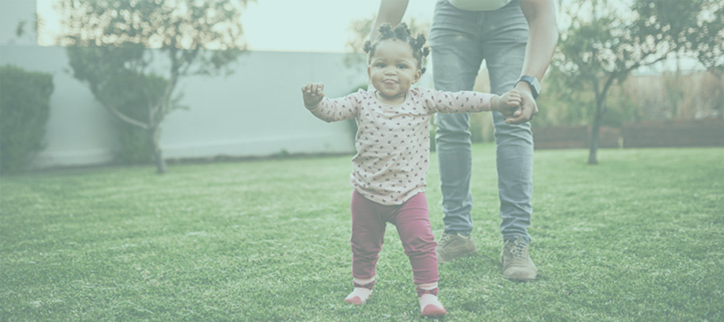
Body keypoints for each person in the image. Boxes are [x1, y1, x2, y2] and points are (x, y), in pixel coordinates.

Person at [301, 23, 522, 316]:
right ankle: (362, 286)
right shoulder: (361, 101)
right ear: (369, 71)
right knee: (363, 245)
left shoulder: (423, 99)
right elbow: (331, 111)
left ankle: (428, 294)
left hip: (409, 196)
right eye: (381, 64)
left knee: (422, 244)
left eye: (401, 65)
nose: (390, 71)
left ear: (417, 75)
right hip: (366, 194)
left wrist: (496, 101)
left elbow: (460, 100)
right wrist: (314, 103)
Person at [370, 0, 558, 281]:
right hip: (452, 16)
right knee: (450, 122)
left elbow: (543, 15)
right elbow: (389, 13)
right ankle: (457, 234)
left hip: (512, 15)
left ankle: (516, 240)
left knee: (514, 118)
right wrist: (374, 67)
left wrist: (528, 84)